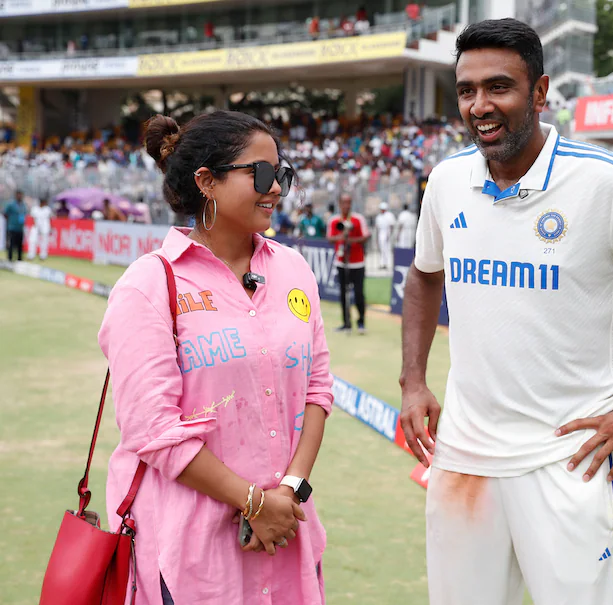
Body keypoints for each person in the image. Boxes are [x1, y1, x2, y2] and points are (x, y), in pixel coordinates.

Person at [398, 18, 613, 605]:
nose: (480, 105)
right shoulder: (448, 180)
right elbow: (423, 274)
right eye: (466, 91)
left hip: (569, 459)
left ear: (540, 92)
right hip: (463, 453)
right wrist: (412, 380)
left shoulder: (609, 183)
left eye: (499, 87)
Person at [99, 111, 333, 605]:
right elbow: (154, 432)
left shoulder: (292, 268)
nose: (276, 190)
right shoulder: (147, 286)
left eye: (282, 175)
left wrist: (287, 493)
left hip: (286, 533)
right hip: (191, 555)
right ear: (206, 181)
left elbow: (318, 388)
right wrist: (252, 503)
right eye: (262, 174)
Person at [327, 193, 369, 333]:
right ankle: (346, 323)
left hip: (358, 262)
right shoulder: (334, 220)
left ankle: (361, 322)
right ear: (339, 204)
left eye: (349, 202)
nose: (346, 205)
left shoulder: (358, 219)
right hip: (341, 262)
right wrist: (342, 237)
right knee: (343, 294)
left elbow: (366, 236)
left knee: (358, 293)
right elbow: (330, 238)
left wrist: (350, 241)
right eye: (344, 202)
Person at [3, 190, 26, 262]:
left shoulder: (23, 205)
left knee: (20, 244)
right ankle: (9, 259)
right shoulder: (11, 204)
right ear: (16, 195)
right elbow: (5, 213)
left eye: (21, 195)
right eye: (18, 195)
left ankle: (19, 259)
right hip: (12, 227)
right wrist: (10, 221)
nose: (20, 196)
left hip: (20, 228)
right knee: (11, 244)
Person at [374, 202, 396, 269]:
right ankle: (382, 263)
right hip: (381, 233)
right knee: (381, 249)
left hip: (387, 232)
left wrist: (389, 235)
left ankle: (386, 263)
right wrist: (377, 237)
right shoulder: (379, 217)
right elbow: (377, 228)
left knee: (387, 249)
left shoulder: (389, 215)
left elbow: (391, 226)